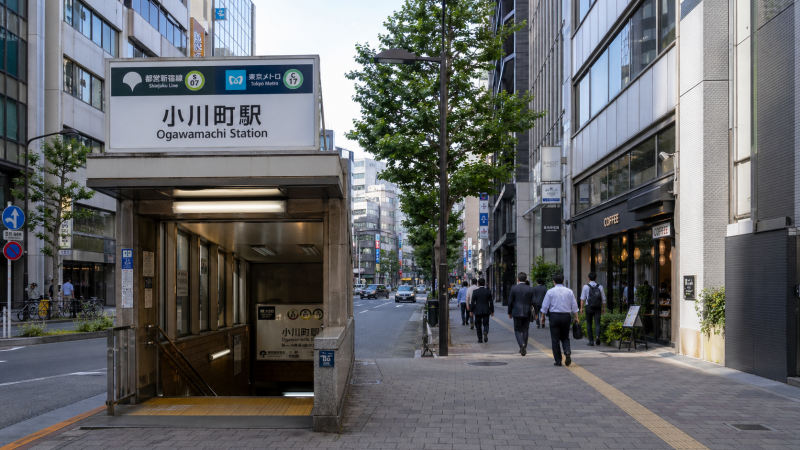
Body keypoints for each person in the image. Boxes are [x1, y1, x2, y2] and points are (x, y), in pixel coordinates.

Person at [540, 274, 579, 366]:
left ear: (553, 282)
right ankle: (567, 351)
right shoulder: (569, 291)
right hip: (566, 316)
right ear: (563, 281)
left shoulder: (550, 292)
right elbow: (574, 305)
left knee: (555, 339)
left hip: (554, 316)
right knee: (565, 336)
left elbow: (545, 306)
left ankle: (558, 360)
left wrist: (542, 317)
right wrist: (576, 317)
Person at [507, 272, 535, 356]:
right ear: (526, 279)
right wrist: (536, 312)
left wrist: (509, 312)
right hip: (527, 312)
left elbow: (510, 301)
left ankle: (521, 344)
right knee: (525, 329)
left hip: (516, 311)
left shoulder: (513, 288)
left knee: (517, 330)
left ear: (517, 279)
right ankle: (524, 347)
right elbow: (534, 301)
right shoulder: (530, 289)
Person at [580, 272, 606, 346]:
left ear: (588, 278)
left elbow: (582, 298)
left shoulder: (585, 287)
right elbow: (603, 299)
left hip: (589, 307)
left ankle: (591, 341)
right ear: (596, 278)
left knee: (589, 323)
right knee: (597, 323)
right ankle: (597, 336)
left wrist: (581, 308)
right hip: (598, 307)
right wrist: (603, 309)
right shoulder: (600, 286)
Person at [469, 278, 494, 343]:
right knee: (486, 323)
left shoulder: (475, 292)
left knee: (478, 325)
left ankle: (480, 339)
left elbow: (472, 302)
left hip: (477, 310)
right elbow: (491, 302)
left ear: (478, 284)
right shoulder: (488, 291)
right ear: (485, 283)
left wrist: (471, 311)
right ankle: (485, 331)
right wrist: (492, 311)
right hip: (486, 310)